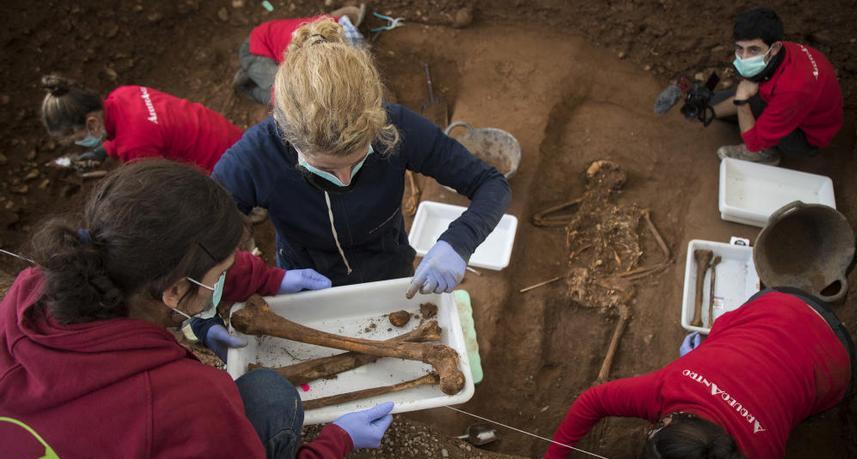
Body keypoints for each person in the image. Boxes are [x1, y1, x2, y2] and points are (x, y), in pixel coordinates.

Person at [0, 161, 394, 459]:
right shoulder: (187, 404)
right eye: (222, 273)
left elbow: (182, 264)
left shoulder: (34, 291)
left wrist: (268, 280)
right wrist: (334, 445)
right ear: (174, 290)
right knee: (270, 398)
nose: (227, 275)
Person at [213, 18, 511, 296]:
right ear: (288, 138)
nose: (344, 181)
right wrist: (207, 318)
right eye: (324, 170)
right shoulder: (256, 157)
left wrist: (459, 242)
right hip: (307, 283)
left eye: (357, 163)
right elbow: (198, 246)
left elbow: (491, 183)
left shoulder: (398, 125)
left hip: (389, 267)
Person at [544, 287, 854, 459]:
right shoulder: (670, 387)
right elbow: (592, 401)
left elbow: (592, 400)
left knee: (799, 404)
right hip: (788, 309)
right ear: (668, 423)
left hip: (836, 361)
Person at [711, 8, 843, 166]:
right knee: (714, 103)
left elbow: (753, 143)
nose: (744, 58)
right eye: (740, 48)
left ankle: (766, 153)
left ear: (774, 48)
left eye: (753, 49)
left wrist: (741, 101)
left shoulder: (792, 89)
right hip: (801, 105)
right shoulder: (781, 50)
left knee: (750, 109)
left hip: (807, 136)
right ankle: (715, 109)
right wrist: (711, 112)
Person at [40, 75, 243, 173]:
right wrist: (102, 151)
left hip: (229, 169)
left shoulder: (135, 147)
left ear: (92, 123)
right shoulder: (123, 94)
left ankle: (250, 206)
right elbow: (128, 129)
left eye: (78, 138)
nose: (80, 142)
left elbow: (159, 184)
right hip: (233, 137)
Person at [233, 6, 366, 105]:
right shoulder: (308, 55)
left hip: (263, 39)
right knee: (285, 99)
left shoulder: (329, 24)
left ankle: (254, 72)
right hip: (254, 51)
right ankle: (249, 87)